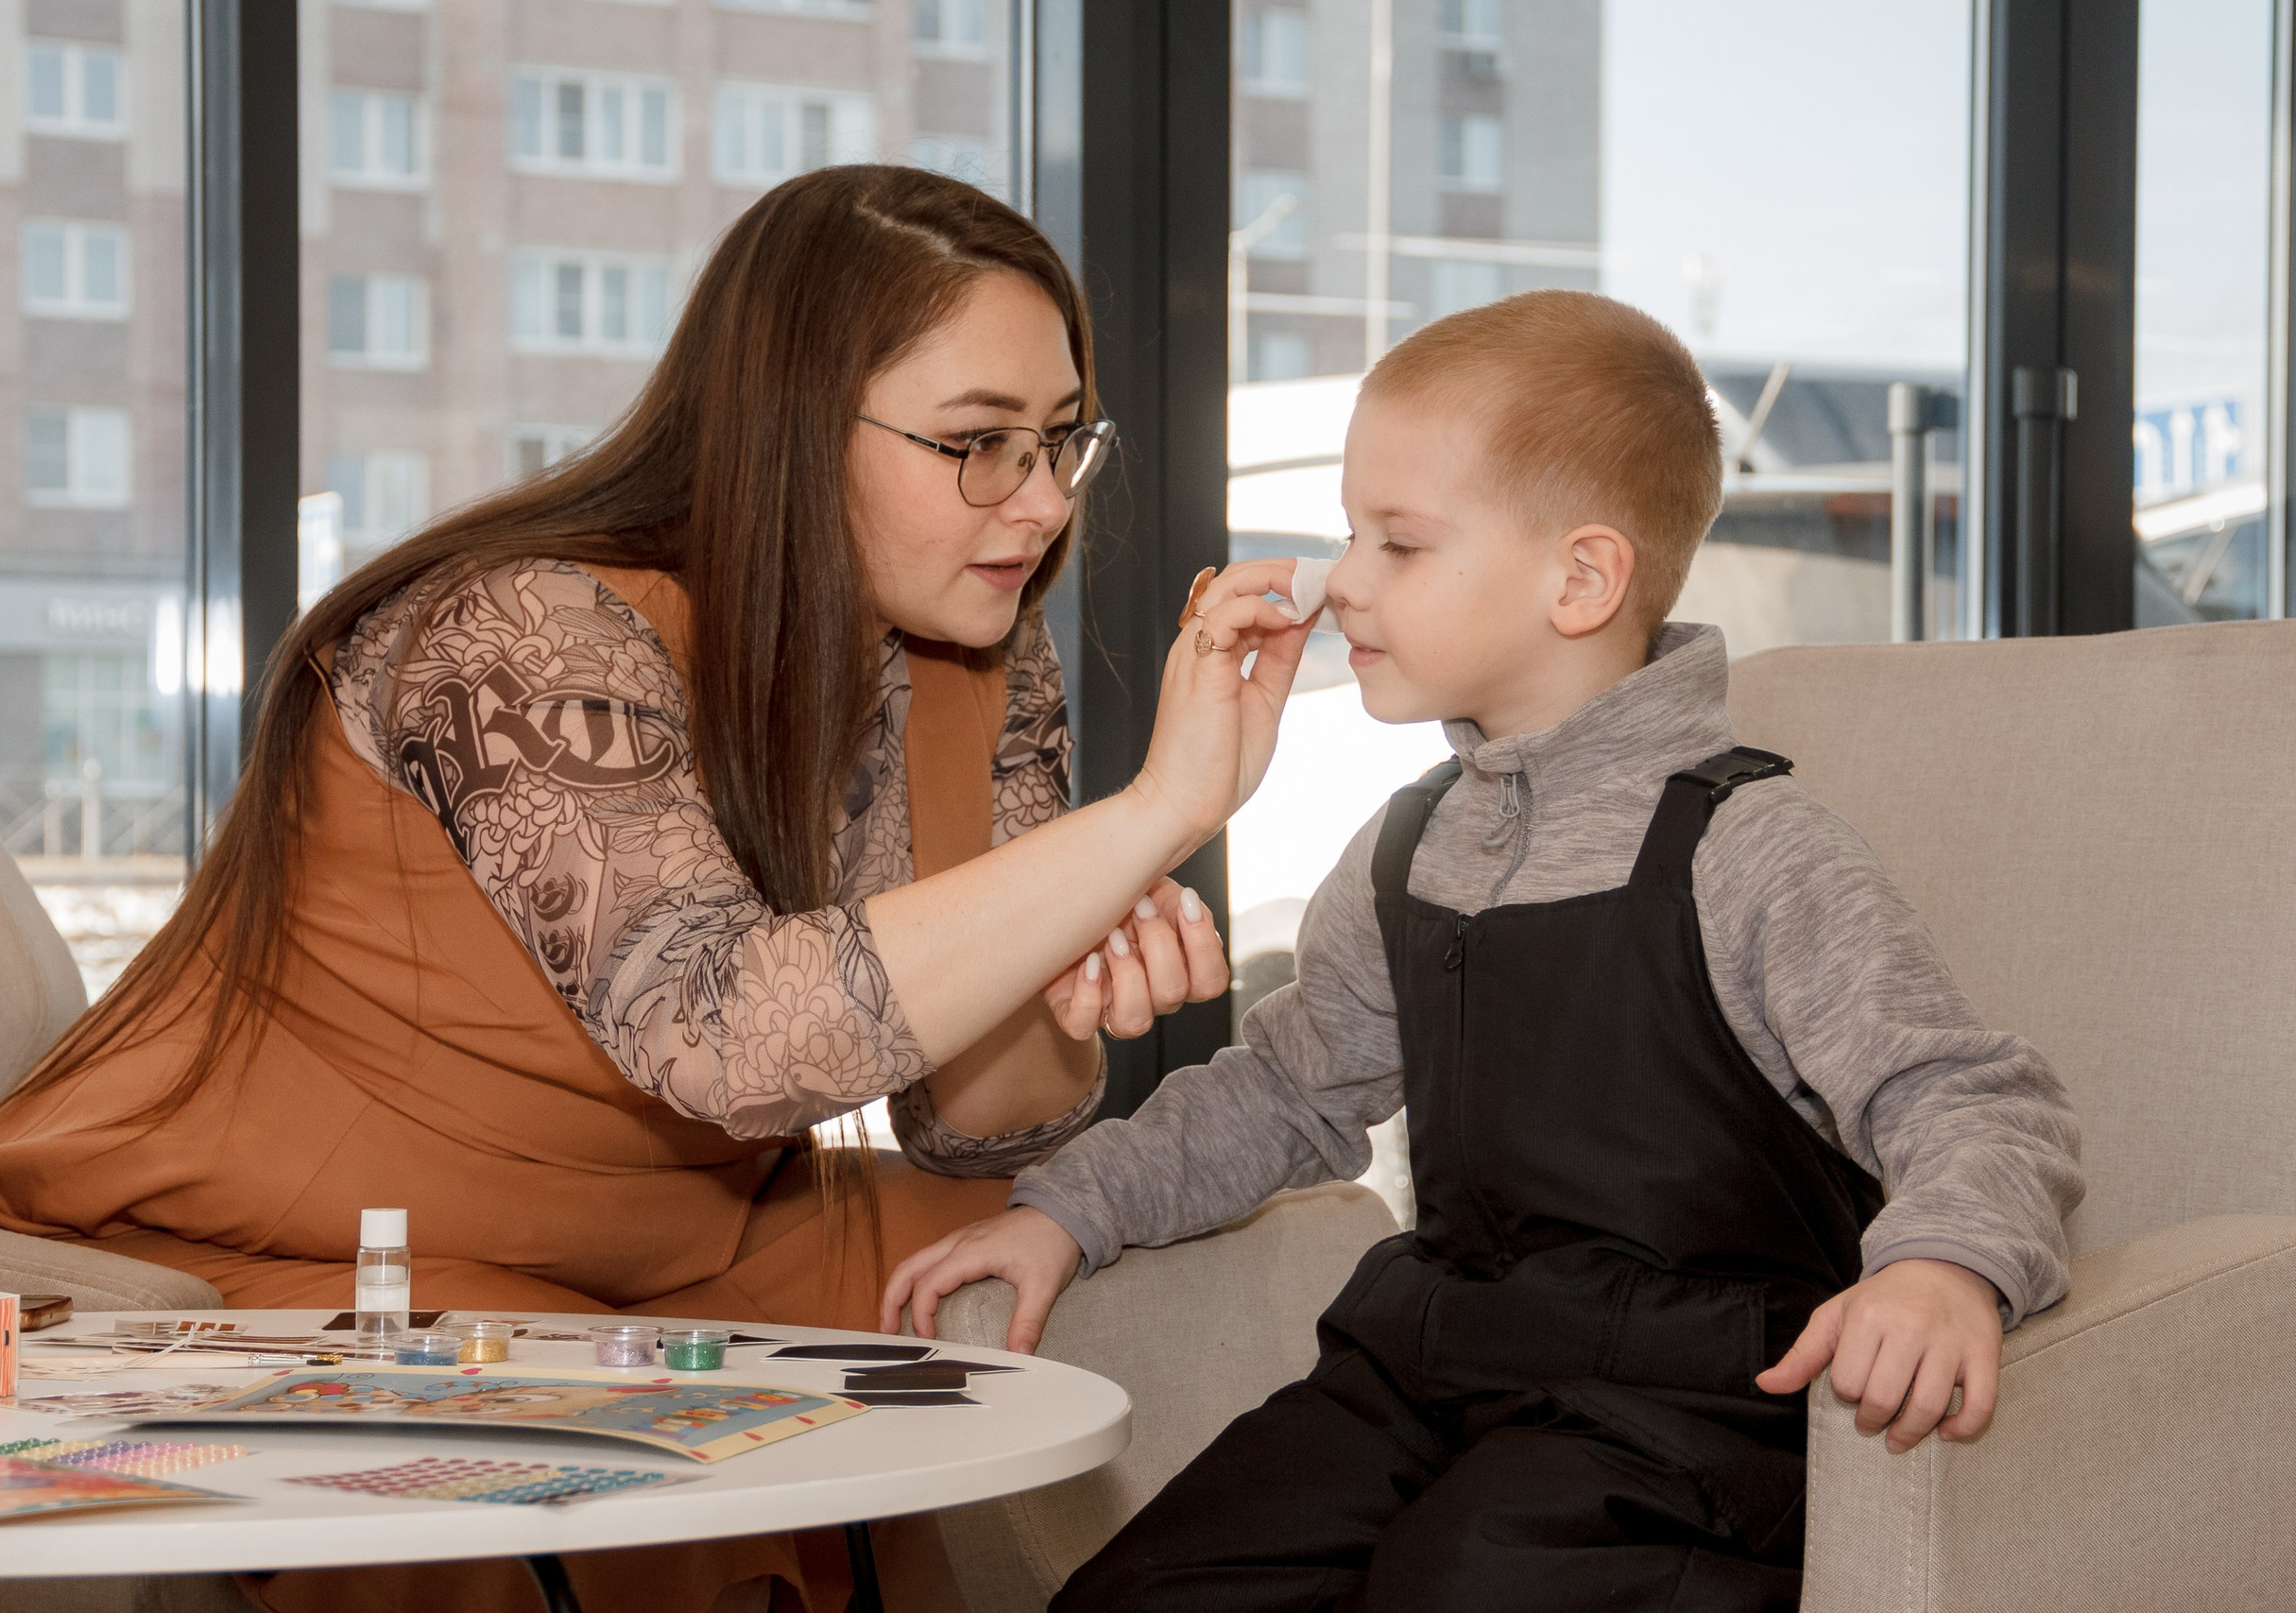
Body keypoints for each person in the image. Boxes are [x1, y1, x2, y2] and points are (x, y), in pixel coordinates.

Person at [0, 166, 1315, 1613]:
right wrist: (1153, 817)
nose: (1042, 503)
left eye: (1060, 440)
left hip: (679, 1225)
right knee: (635, 1489)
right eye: (979, 444)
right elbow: (722, 1039)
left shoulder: (974, 640)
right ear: (794, 427)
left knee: (1176, 1240)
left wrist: (1065, 959)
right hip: (296, 1242)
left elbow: (980, 1126)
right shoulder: (518, 629)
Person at [882, 289, 2086, 1611]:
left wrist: (1942, 1265)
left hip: (1697, 1413)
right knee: (1153, 1587)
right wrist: (1072, 1209)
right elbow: (1285, 1092)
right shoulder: (1408, 845)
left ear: (1582, 580)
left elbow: (1974, 1101)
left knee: (1464, 1577)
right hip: (1428, 1372)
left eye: (1399, 543)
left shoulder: (1754, 847)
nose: (1343, 580)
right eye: (1351, 533)